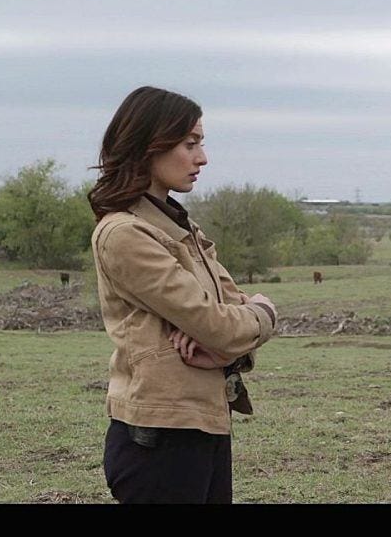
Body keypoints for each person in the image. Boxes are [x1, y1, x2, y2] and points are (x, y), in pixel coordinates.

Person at [88, 85, 278, 503]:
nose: (202, 157)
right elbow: (221, 324)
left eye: (201, 143)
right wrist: (263, 313)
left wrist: (229, 347)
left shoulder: (178, 227)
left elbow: (227, 318)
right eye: (189, 143)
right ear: (147, 145)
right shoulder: (125, 234)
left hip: (203, 424)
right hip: (158, 440)